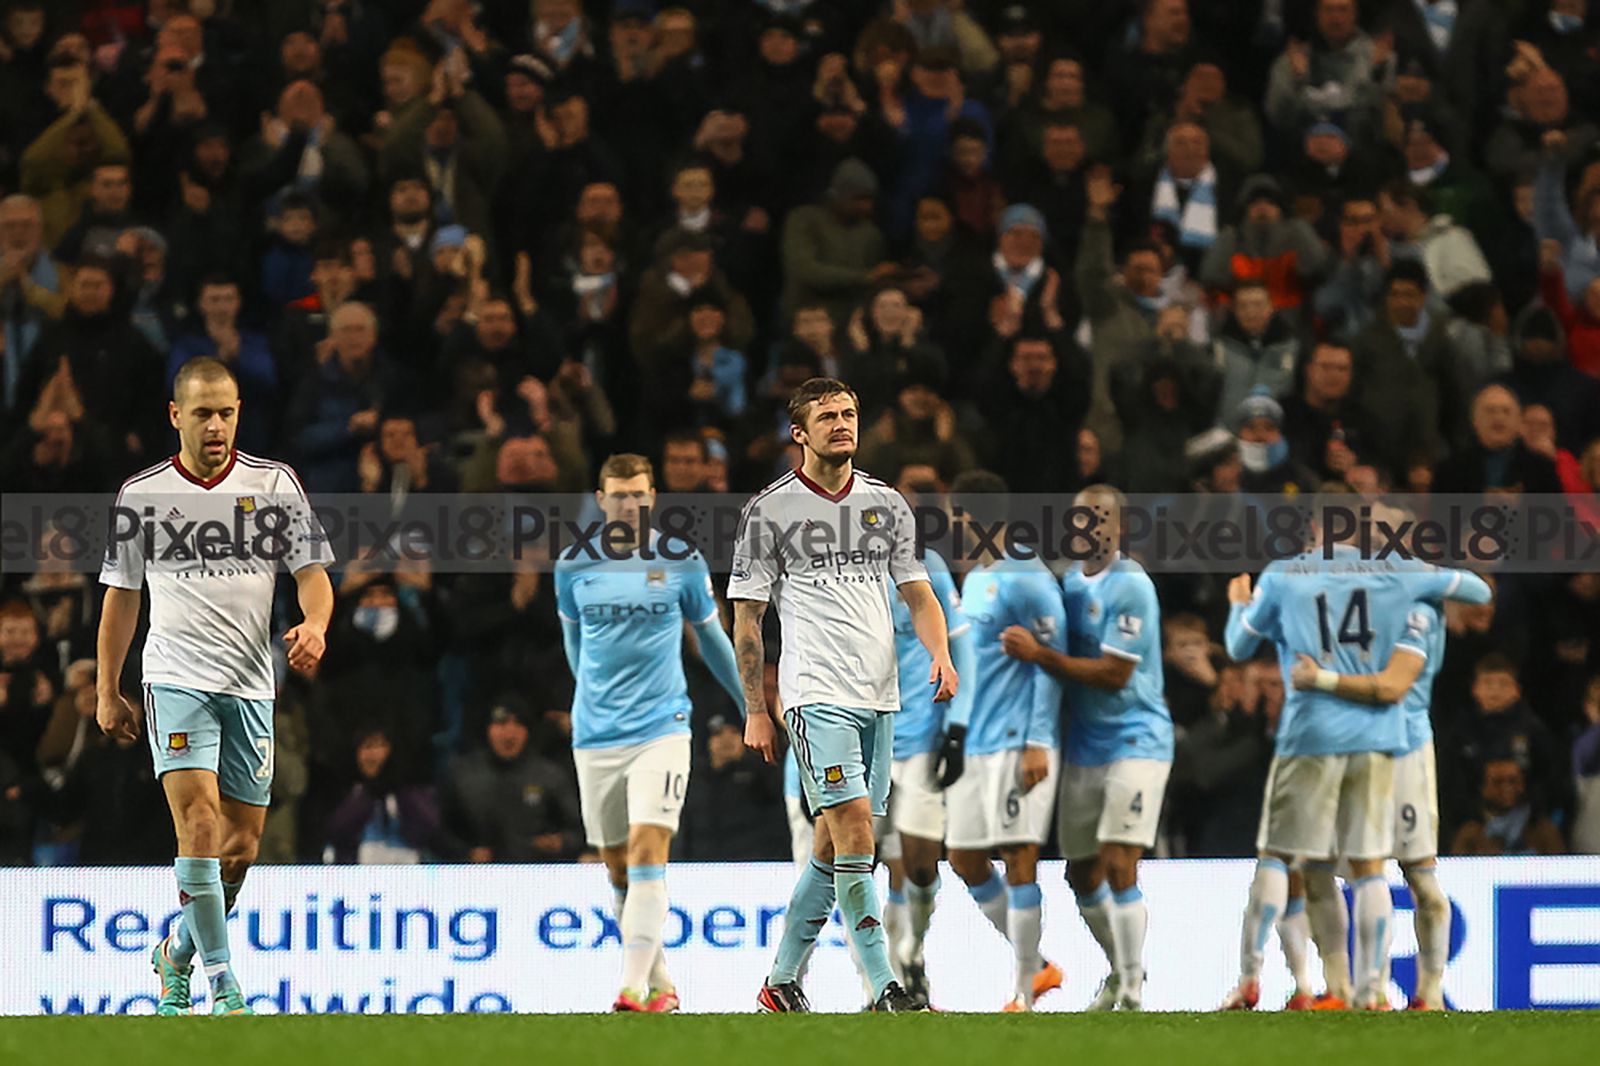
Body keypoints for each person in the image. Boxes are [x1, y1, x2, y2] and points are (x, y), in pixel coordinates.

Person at [96, 357, 333, 1016]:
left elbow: (311, 571)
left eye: (226, 412)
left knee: (239, 849)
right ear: (176, 416)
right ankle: (222, 985)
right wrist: (106, 688)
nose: (216, 425)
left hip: (251, 686)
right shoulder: (143, 495)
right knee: (198, 825)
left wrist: (315, 622)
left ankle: (174, 950)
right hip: (175, 678)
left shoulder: (274, 484)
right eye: (203, 413)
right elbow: (122, 596)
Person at [731, 377, 954, 1013]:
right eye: (827, 416)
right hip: (813, 693)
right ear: (798, 434)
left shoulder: (887, 504)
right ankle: (886, 985)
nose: (842, 424)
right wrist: (756, 709)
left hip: (880, 698)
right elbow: (747, 619)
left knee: (834, 849)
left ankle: (779, 983)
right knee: (858, 834)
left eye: (850, 413)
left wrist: (939, 653)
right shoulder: (769, 511)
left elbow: (919, 594)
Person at [1219, 523, 1491, 1012]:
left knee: (1409, 872)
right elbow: (1474, 587)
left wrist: (1244, 607)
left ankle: (1419, 991)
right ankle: (1343, 988)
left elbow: (1392, 686)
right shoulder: (1393, 579)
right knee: (1327, 867)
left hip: (1397, 747)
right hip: (1373, 742)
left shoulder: (1393, 595)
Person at [554, 452, 746, 1013]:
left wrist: (750, 704)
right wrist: (589, 700)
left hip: (662, 726)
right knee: (617, 866)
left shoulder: (681, 560)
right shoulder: (572, 565)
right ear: (601, 498)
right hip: (595, 734)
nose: (630, 506)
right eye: (619, 496)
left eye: (639, 495)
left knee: (647, 850)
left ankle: (630, 987)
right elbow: (575, 646)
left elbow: (711, 640)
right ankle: (661, 983)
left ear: (653, 496)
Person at [1002, 484, 1174, 1011]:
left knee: (1120, 860)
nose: (1090, 528)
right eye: (1081, 519)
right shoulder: (1071, 582)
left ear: (1119, 528)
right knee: (1080, 869)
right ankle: (1126, 969)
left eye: (1101, 519)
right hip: (1084, 745)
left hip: (1137, 739)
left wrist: (1039, 655)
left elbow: (1115, 674)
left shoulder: (1131, 586)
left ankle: (1129, 989)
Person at [941, 469, 1067, 1013]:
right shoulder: (977, 576)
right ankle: (1036, 966)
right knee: (965, 857)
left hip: (1021, 740)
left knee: (1020, 854)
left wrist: (1039, 738)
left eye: (953, 514)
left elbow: (1051, 658)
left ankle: (1023, 991)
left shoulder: (1028, 577)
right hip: (978, 741)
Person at [879, 497, 977, 1007]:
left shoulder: (928, 569)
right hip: (866, 735)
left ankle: (913, 952)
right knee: (862, 860)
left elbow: (965, 650)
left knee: (919, 863)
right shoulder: (847, 576)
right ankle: (887, 979)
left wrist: (956, 731)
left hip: (920, 738)